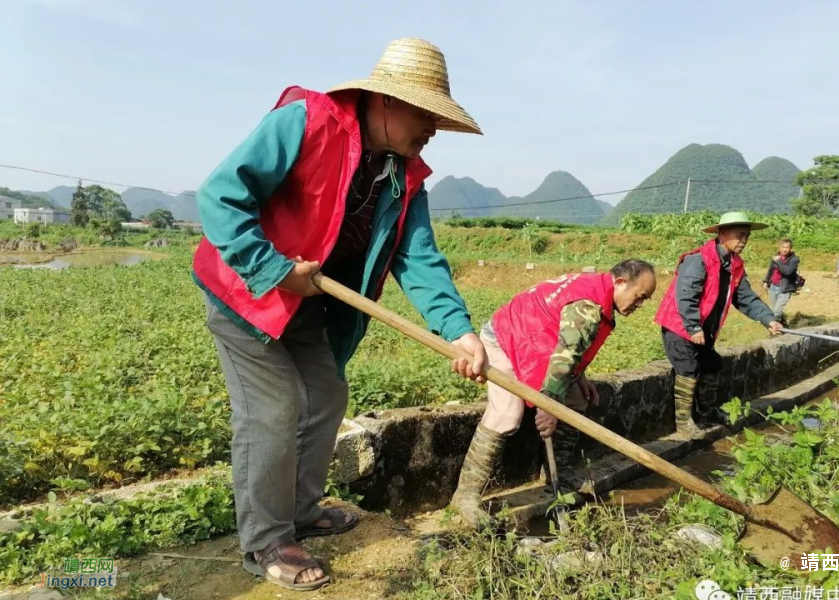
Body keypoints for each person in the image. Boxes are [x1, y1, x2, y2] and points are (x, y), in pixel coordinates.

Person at [192, 38, 488, 591]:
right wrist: (273, 268)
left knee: (326, 393)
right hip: (245, 292)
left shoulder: (405, 176)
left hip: (307, 299)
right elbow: (220, 195)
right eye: (427, 114)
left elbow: (418, 256)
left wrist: (460, 330)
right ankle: (266, 540)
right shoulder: (306, 122)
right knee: (273, 407)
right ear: (388, 101)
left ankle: (301, 512)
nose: (432, 130)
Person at [450, 260, 657, 526]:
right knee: (507, 413)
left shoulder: (595, 288)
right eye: (640, 296)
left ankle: (559, 474)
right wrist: (548, 406)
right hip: (505, 340)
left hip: (531, 342)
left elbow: (567, 342)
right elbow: (565, 356)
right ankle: (465, 495)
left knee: (577, 399)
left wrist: (579, 376)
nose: (639, 304)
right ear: (620, 282)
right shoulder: (588, 305)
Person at [655, 212, 784, 430]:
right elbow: (686, 295)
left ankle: (707, 413)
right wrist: (693, 326)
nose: (744, 240)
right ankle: (684, 422)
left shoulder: (734, 266)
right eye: (740, 235)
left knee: (712, 364)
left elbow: (745, 298)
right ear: (722, 233)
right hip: (680, 326)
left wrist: (768, 319)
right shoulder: (698, 260)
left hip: (703, 329)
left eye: (747, 236)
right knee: (688, 368)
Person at [763, 238, 801, 325]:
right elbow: (770, 270)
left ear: (790, 248)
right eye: (783, 247)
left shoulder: (794, 260)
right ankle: (783, 324)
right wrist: (766, 281)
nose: (784, 249)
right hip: (773, 287)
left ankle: (776, 329)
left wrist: (778, 261)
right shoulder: (776, 257)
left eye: (787, 247)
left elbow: (788, 271)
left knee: (776, 312)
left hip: (785, 289)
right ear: (779, 247)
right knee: (773, 309)